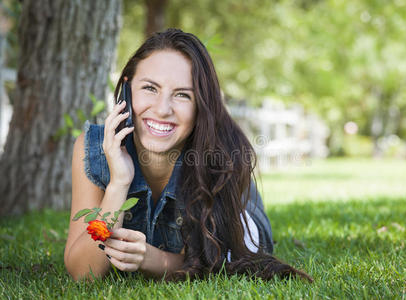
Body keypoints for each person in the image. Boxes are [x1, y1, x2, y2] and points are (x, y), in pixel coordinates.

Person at [64, 28, 312, 282]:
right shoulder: (93, 148)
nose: (162, 109)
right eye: (150, 88)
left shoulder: (220, 158)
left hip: (238, 209)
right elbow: (83, 273)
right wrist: (118, 184)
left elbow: (223, 261)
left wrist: (151, 259)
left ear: (200, 104)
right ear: (127, 89)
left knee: (245, 245)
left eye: (182, 95)